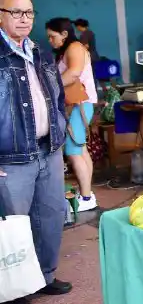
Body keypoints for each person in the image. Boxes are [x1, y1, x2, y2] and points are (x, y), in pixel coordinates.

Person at [0, 0, 73, 304]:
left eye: (29, 12)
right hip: (11, 157)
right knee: (13, 226)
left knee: (50, 216)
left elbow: (56, 98)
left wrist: (58, 132)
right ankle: (10, 289)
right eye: (16, 13)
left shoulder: (39, 53)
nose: (24, 18)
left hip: (48, 151)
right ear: (1, 15)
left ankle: (43, 276)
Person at [46, 18, 98, 212]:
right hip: (78, 104)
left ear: (65, 34)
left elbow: (74, 73)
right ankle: (88, 194)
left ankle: (86, 197)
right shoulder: (67, 50)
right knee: (80, 149)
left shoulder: (75, 47)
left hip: (80, 104)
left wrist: (48, 86)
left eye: (53, 36)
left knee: (73, 152)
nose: (50, 40)